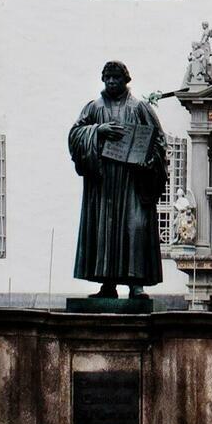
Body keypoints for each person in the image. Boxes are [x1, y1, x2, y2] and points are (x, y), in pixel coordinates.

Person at [66, 60, 170, 299]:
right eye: (108, 78)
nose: (112, 82)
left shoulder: (139, 107)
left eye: (116, 78)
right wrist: (98, 131)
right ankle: (107, 284)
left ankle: (136, 284)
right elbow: (75, 135)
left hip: (133, 180)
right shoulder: (94, 108)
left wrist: (149, 160)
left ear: (126, 80)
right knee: (105, 230)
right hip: (103, 182)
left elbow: (159, 141)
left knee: (135, 227)